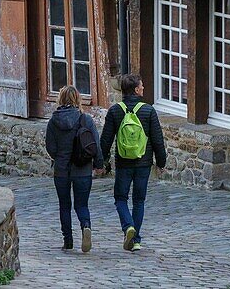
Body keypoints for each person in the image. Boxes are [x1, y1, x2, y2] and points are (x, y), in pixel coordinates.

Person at [100, 73, 167, 252]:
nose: (144, 88)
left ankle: (127, 226)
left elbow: (105, 140)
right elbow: (157, 140)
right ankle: (136, 239)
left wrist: (101, 162)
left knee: (120, 198)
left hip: (123, 162)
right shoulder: (148, 110)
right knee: (139, 200)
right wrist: (161, 162)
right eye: (142, 86)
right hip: (143, 162)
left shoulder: (115, 111)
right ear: (136, 89)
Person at [45, 85, 104, 253]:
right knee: (82, 204)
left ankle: (68, 241)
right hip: (83, 168)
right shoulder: (85, 120)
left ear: (60, 99)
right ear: (77, 99)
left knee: (64, 205)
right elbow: (95, 145)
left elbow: (50, 147)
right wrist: (98, 164)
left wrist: (60, 157)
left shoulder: (53, 122)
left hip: (62, 170)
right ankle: (86, 226)